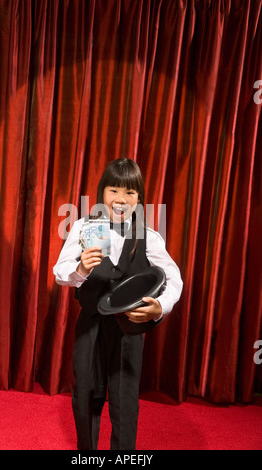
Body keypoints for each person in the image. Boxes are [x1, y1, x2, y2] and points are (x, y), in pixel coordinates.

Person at [53, 158, 183, 450]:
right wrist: (81, 270)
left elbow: (174, 278)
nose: (121, 199)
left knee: (125, 400)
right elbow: (60, 272)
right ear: (102, 192)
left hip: (129, 329)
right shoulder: (84, 227)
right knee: (86, 392)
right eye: (114, 190)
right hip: (91, 326)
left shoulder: (148, 235)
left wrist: (160, 306)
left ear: (140, 198)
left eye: (130, 193)